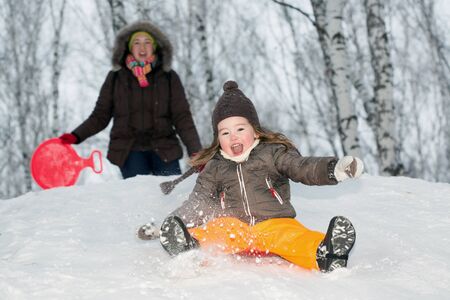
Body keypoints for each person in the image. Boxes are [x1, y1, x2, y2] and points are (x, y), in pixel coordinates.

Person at [156, 80, 364, 273]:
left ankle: (326, 254)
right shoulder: (215, 166)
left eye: (239, 128)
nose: (233, 136)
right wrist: (174, 223)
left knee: (292, 236)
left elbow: (301, 167)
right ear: (218, 138)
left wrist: (333, 169)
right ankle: (189, 248)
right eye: (225, 133)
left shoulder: (272, 153)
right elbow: (199, 201)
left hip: (273, 223)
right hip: (235, 227)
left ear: (255, 131)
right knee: (216, 229)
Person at [59, 21, 201, 178]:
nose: (142, 47)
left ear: (154, 47)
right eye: (137, 43)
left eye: (147, 42)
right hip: (129, 150)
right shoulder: (115, 78)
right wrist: (76, 135)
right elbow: (100, 116)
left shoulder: (169, 77)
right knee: (138, 199)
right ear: (128, 48)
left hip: (164, 148)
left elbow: (182, 118)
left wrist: (196, 151)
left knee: (171, 196)